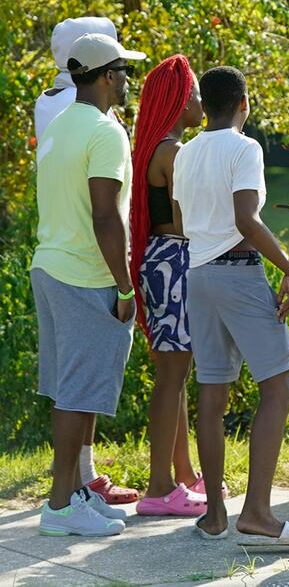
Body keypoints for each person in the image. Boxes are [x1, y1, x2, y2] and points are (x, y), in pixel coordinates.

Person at [174, 66, 289, 546]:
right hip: (238, 272)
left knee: (212, 396)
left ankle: (214, 515)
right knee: (277, 387)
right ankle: (257, 513)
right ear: (243, 103)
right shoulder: (245, 148)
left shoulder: (185, 153)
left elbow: (180, 220)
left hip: (197, 276)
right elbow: (246, 219)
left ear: (204, 106)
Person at [32, 33, 146, 536]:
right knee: (77, 395)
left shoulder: (60, 126)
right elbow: (105, 215)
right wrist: (124, 287)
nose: (128, 81)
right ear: (106, 77)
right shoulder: (106, 131)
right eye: (124, 71)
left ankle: (74, 494)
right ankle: (60, 507)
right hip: (84, 273)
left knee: (69, 391)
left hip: (49, 265)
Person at [129, 55, 215, 517]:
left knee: (174, 372)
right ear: (181, 101)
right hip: (175, 260)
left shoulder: (156, 147)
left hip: (159, 259)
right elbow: (189, 221)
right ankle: (159, 487)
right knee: (172, 376)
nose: (202, 104)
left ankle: (182, 473)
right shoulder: (173, 152)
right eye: (197, 95)